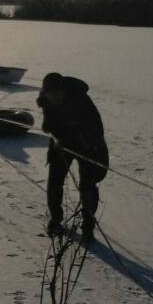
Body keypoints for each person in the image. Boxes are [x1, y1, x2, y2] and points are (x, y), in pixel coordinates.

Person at [36, 72, 108, 240]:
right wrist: (58, 137)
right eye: (49, 95)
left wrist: (85, 142)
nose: (53, 98)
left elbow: (96, 129)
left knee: (87, 185)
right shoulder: (47, 100)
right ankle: (55, 220)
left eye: (56, 94)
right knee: (55, 181)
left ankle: (88, 225)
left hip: (87, 145)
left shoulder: (81, 100)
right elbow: (48, 125)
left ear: (63, 90)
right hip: (61, 144)